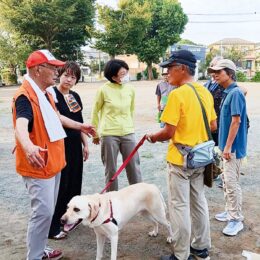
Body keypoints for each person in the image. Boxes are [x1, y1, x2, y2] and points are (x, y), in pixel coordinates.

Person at [12, 50, 95, 260]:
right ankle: (35, 256)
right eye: (53, 68)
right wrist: (28, 147)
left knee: (47, 213)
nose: (57, 73)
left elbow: (57, 118)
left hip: (53, 162)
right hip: (38, 164)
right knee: (42, 213)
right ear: (38, 69)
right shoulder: (25, 96)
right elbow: (20, 125)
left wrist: (82, 126)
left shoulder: (46, 93)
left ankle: (41, 250)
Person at [146, 50, 217, 260]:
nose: (166, 73)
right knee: (199, 202)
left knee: (179, 206)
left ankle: (180, 254)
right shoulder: (205, 92)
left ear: (182, 68)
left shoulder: (176, 94)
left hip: (180, 160)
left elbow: (168, 132)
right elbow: (212, 125)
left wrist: (152, 137)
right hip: (201, 158)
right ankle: (201, 247)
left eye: (169, 68)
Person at [48, 61, 89, 240]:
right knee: (61, 184)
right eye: (66, 75)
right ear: (59, 75)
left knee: (74, 180)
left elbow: (80, 121)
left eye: (73, 77)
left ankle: (71, 218)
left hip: (74, 145)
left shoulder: (75, 97)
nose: (69, 79)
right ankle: (55, 223)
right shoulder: (51, 94)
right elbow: (59, 119)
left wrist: (85, 144)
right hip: (59, 145)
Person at [208, 59, 248, 236]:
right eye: (213, 72)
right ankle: (230, 210)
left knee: (231, 183)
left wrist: (228, 147)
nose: (214, 74)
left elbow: (236, 121)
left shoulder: (236, 93)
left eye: (219, 72)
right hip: (226, 147)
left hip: (233, 149)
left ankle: (235, 219)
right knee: (226, 181)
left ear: (230, 73)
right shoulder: (227, 92)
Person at [91, 59, 142, 191]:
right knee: (111, 170)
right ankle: (112, 199)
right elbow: (95, 111)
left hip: (128, 133)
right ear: (113, 76)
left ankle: (138, 195)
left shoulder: (130, 89)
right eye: (122, 74)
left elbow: (131, 110)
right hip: (109, 134)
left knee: (134, 166)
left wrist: (130, 128)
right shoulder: (103, 90)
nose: (126, 76)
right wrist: (95, 133)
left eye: (126, 72)